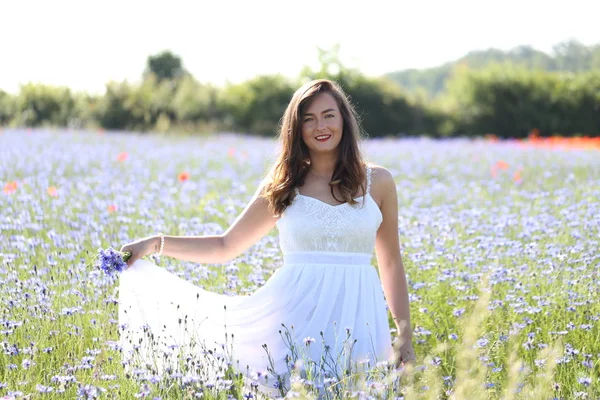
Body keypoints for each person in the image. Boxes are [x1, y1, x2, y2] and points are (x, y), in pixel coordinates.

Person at [118, 79, 415, 397]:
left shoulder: (378, 181)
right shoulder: (284, 184)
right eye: (308, 119)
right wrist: (155, 244)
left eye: (329, 115)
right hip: (293, 320)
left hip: (360, 318)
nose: (320, 127)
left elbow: (390, 262)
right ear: (296, 129)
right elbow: (225, 246)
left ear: (344, 118)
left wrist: (404, 335)